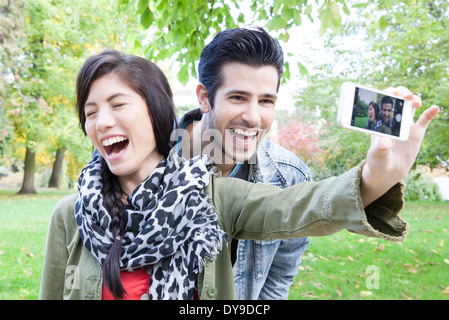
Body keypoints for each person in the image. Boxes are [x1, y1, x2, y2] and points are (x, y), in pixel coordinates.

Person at [39, 49, 439, 300]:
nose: (102, 122)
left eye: (117, 105)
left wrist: (378, 174)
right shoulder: (69, 215)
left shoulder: (214, 197)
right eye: (91, 113)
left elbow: (300, 207)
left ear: (154, 111)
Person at [175, 26, 312, 300]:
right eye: (238, 97)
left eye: (265, 101)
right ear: (204, 97)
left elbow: (278, 279)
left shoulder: (291, 179)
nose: (253, 117)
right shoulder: (143, 158)